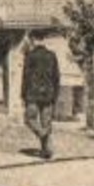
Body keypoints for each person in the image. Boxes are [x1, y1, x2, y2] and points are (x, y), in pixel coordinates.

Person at [21, 29, 61, 159]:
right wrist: (55, 94)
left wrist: (23, 94)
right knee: (46, 122)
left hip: (32, 93)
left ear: (33, 39)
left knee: (29, 119)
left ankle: (42, 134)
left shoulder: (30, 55)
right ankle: (47, 151)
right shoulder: (52, 55)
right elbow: (56, 77)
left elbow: (25, 76)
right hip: (49, 94)